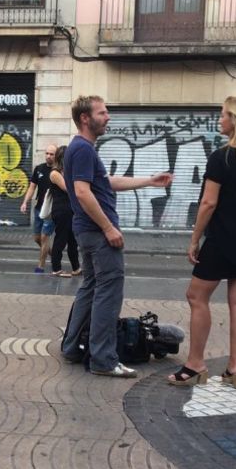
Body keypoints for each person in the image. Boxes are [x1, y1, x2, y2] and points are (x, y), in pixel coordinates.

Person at [168, 96, 236, 388]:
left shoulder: (222, 157)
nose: (220, 119)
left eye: (225, 115)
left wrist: (194, 239)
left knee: (196, 296)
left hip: (222, 239)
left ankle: (195, 365)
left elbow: (207, 203)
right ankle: (235, 368)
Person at [60, 96, 172, 377]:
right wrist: (109, 227)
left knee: (90, 287)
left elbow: (105, 182)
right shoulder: (83, 149)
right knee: (108, 293)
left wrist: (148, 180)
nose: (108, 117)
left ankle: (72, 348)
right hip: (98, 233)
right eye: (103, 112)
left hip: (86, 231)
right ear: (85, 118)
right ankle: (103, 359)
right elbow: (84, 192)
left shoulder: (80, 148)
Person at [20, 144, 56, 273]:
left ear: (56, 155)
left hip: (50, 211)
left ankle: (40, 266)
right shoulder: (39, 169)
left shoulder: (58, 171)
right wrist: (25, 202)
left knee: (45, 237)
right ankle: (54, 255)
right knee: (37, 238)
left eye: (51, 154)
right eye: (47, 153)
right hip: (38, 209)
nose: (48, 156)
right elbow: (32, 187)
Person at [47, 145, 80, 277]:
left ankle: (76, 268)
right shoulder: (55, 173)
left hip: (70, 210)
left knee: (73, 241)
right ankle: (56, 268)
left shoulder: (67, 171)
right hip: (61, 210)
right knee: (61, 239)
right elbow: (68, 188)